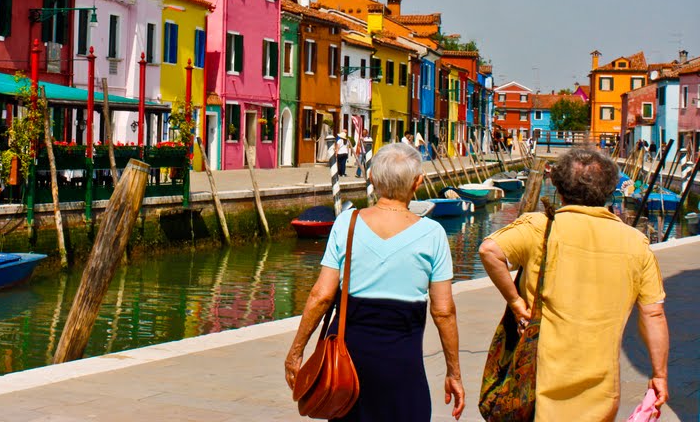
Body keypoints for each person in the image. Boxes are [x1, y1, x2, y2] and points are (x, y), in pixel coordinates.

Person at [478, 147, 669, 421]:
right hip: (600, 387)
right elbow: (654, 313)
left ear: (559, 187)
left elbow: (489, 251)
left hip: (538, 381)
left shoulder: (539, 226)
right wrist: (659, 374)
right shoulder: (635, 244)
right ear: (608, 190)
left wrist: (517, 303)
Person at [285, 143, 465, 420]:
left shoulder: (347, 223)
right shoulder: (433, 235)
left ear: (372, 179)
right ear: (418, 182)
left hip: (347, 370)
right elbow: (443, 311)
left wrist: (296, 353)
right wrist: (453, 372)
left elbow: (321, 295)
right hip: (402, 367)